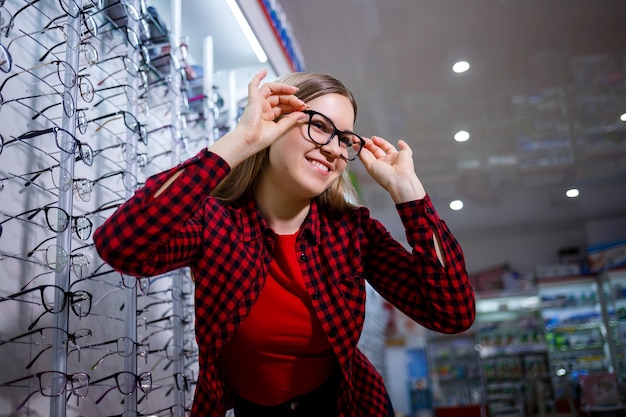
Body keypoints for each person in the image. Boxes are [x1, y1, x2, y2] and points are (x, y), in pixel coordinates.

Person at [93, 69, 475, 417]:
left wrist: (411, 196)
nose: (333, 149)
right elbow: (121, 245)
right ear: (274, 122)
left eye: (344, 140)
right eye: (319, 126)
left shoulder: (352, 232)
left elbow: (451, 312)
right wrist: (241, 140)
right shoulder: (217, 225)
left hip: (347, 407)